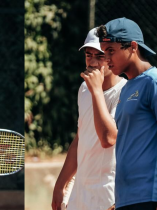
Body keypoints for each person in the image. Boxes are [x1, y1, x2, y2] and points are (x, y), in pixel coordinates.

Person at [97, 17, 157, 210]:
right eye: (104, 52)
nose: (106, 59)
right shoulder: (127, 89)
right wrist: (122, 199)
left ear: (132, 47)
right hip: (128, 200)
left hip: (153, 198)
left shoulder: (156, 82)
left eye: (111, 51)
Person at [51, 27, 127, 210]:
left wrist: (97, 91)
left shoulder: (126, 92)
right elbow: (80, 140)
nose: (92, 62)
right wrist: (60, 185)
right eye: (88, 55)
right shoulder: (84, 89)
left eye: (99, 56)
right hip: (81, 193)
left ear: (111, 56)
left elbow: (108, 139)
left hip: (109, 195)